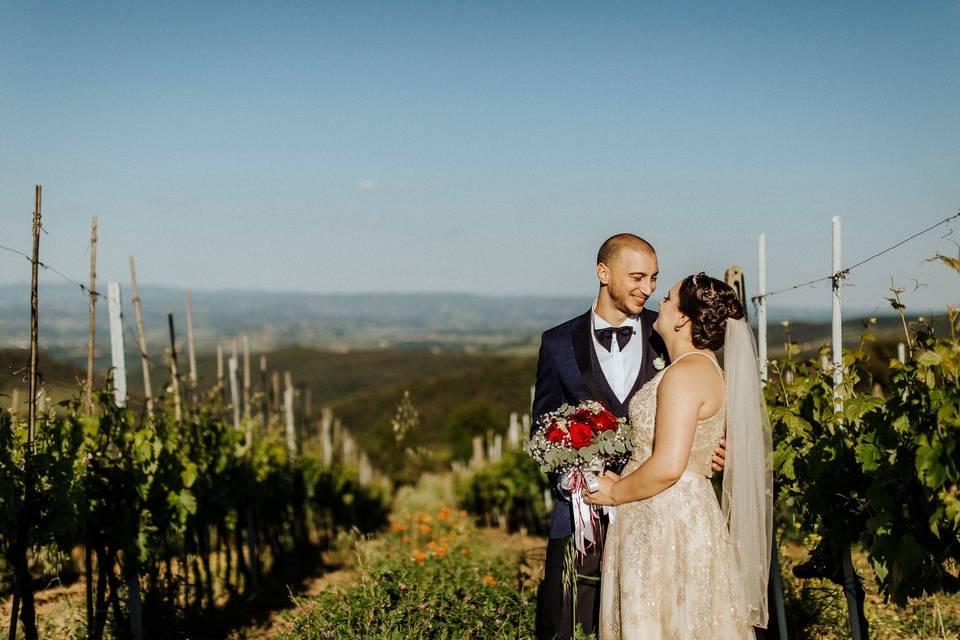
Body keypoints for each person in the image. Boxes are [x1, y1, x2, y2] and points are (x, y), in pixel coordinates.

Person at [531, 237, 726, 640]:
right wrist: (579, 483)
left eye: (654, 278)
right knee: (563, 628)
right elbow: (543, 428)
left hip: (656, 516)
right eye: (637, 276)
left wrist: (713, 446)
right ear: (603, 273)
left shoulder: (670, 332)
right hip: (578, 518)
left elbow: (704, 402)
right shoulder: (557, 343)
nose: (648, 288)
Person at [586, 273, 773, 639]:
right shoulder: (699, 368)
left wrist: (613, 492)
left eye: (669, 299)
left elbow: (669, 465)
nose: (661, 302)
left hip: (664, 519)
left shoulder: (686, 374)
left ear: (683, 318)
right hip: (672, 512)